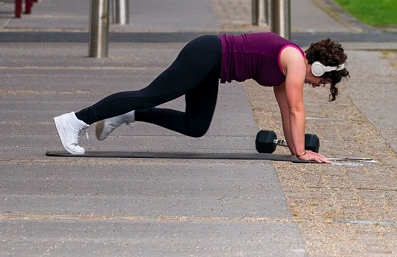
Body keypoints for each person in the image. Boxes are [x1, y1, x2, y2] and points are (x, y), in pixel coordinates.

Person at [53, 33, 348, 163]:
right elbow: (297, 111)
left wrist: (297, 151)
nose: (317, 85)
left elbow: (286, 113)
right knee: (149, 95)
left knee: (195, 125)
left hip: (212, 67)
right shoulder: (295, 61)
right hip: (206, 53)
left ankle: (128, 114)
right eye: (322, 81)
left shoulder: (288, 67)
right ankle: (75, 120)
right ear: (317, 67)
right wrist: (303, 153)